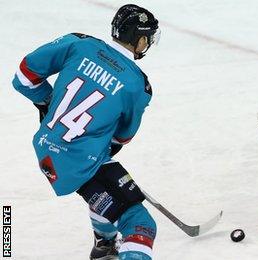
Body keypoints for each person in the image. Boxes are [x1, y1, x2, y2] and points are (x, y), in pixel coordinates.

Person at [12, 4, 160, 260]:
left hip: (46, 145)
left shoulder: (78, 44)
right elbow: (122, 137)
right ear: (141, 39)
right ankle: (108, 244)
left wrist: (49, 104)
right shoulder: (138, 84)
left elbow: (24, 78)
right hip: (79, 161)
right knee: (140, 225)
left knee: (104, 195)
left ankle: (104, 247)